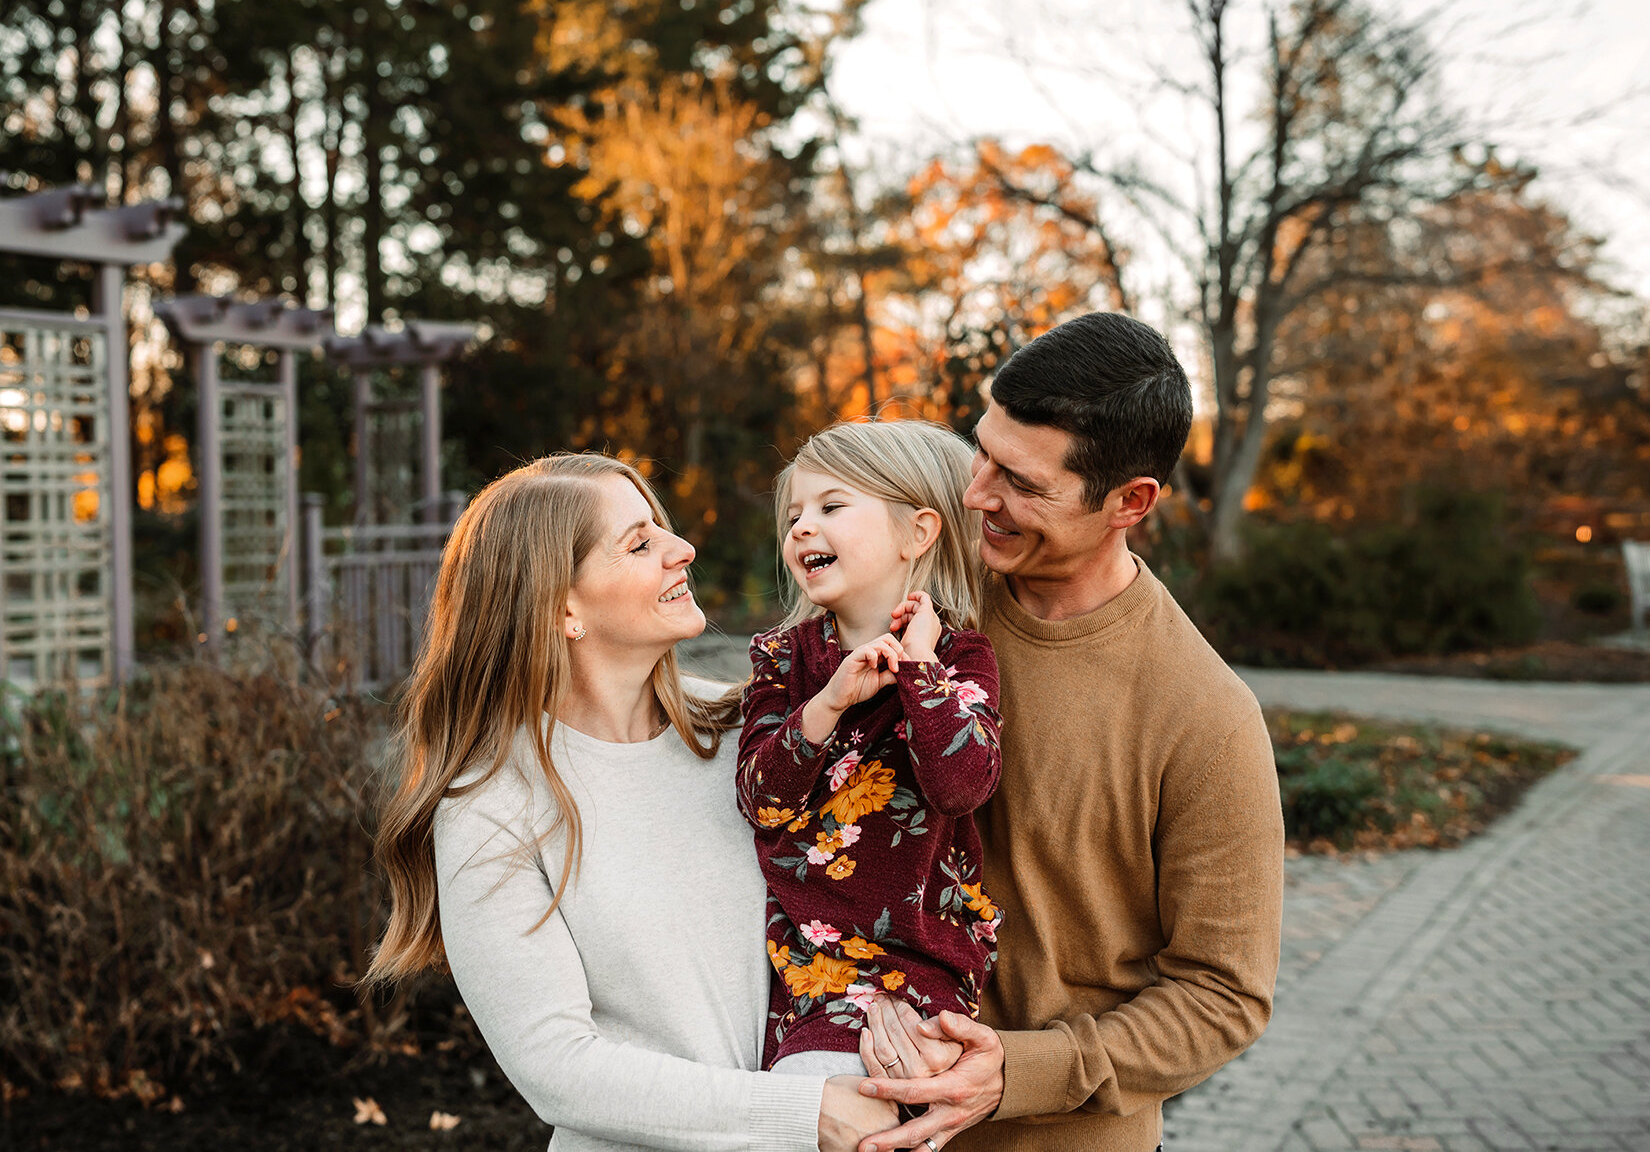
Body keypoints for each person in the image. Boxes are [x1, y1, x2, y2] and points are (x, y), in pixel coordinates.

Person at [365, 453, 896, 1151]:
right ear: (562, 606)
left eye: (662, 530)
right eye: (641, 543)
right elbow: (559, 1068)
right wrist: (801, 1111)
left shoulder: (754, 735)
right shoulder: (491, 806)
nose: (684, 550)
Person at [853, 313, 1285, 1152]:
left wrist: (1018, 1071)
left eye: (1023, 483)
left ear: (1131, 501)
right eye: (982, 451)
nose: (977, 493)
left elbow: (1224, 995)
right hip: (850, 1114)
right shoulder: (925, 589)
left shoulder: (1205, 715)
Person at [735, 421, 1004, 1077]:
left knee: (880, 1110)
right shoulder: (782, 657)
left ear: (917, 532)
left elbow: (962, 783)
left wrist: (917, 668)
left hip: (922, 963)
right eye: (794, 513)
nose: (801, 526)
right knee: (813, 1105)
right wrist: (826, 703)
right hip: (805, 964)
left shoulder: (959, 658)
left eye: (830, 506)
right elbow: (759, 800)